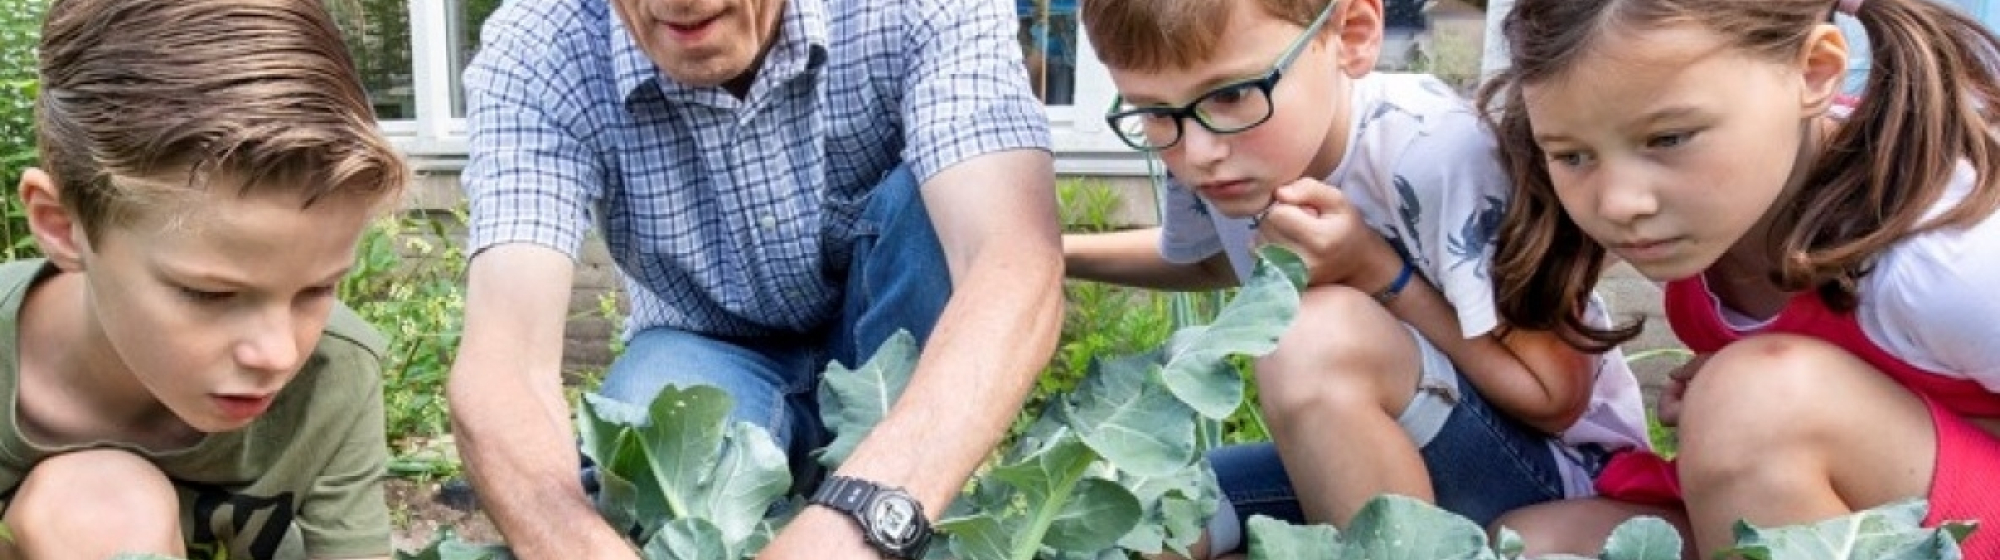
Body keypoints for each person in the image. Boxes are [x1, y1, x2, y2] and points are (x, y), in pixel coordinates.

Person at [448, 0, 1064, 558]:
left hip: (890, 325)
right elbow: (504, 365)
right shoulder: (539, 48)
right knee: (644, 478)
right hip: (703, 345)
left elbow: (1009, 264)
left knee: (941, 206)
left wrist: (860, 520)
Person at [1062, 0, 1651, 557]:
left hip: (1554, 478)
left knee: (1313, 336)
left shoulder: (1436, 153)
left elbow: (1555, 398)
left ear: (1351, 36)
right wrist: (1047, 255)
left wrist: (1375, 269)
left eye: (1236, 94)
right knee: (1137, 515)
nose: (1198, 152)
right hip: (1384, 457)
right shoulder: (1217, 152)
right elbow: (1207, 261)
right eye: (1154, 113)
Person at [1477, 0, 2000, 557]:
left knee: (1757, 403)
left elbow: (1769, 407)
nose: (1619, 202)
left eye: (1669, 139)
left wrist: (1761, 418)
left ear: (1813, 73)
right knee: (1533, 544)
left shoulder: (1948, 258)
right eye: (1573, 155)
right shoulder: (1723, 206)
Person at [0, 0, 408, 558]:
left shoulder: (332, 371)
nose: (278, 353)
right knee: (96, 504)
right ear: (63, 225)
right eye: (210, 294)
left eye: (316, 290)